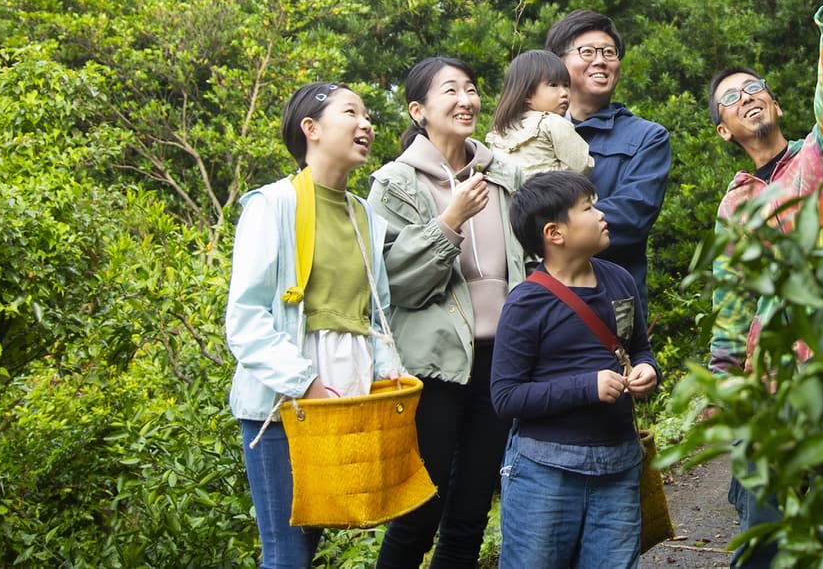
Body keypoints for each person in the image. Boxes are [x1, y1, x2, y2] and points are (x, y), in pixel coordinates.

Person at [707, 0, 823, 569]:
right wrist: (726, 384)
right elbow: (730, 296)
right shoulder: (734, 204)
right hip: (769, 379)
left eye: (757, 88)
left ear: (775, 104)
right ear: (724, 130)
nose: (748, 96)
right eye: (732, 97)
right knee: (762, 528)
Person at [226, 81, 402, 569]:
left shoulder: (364, 214)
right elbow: (245, 318)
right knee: (287, 556)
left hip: (345, 402)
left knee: (303, 551)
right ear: (312, 129)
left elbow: (375, 314)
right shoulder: (272, 205)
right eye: (352, 113)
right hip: (283, 405)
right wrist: (306, 384)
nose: (366, 124)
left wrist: (388, 378)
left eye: (368, 116)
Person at [369, 57, 526, 569]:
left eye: (472, 89)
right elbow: (395, 286)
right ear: (419, 111)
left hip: (500, 363)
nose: (467, 100)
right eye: (450, 91)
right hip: (432, 367)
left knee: (471, 514)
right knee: (418, 512)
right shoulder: (393, 184)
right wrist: (450, 220)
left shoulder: (505, 174)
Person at [491, 171, 659, 569]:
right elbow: (505, 396)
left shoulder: (619, 280)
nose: (602, 215)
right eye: (588, 208)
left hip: (619, 466)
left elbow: (640, 349)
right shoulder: (526, 303)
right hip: (546, 472)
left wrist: (648, 371)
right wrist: (586, 387)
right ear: (555, 233)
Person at [544, 10, 671, 313]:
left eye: (609, 53)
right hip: (540, 300)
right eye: (586, 52)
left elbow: (632, 216)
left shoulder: (647, 137)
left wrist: (542, 229)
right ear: (559, 64)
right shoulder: (531, 134)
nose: (600, 60)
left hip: (609, 302)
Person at [485, 49, 594, 178]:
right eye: (554, 85)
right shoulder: (552, 122)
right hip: (554, 195)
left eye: (566, 85)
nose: (564, 93)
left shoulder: (500, 131)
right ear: (528, 94)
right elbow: (582, 165)